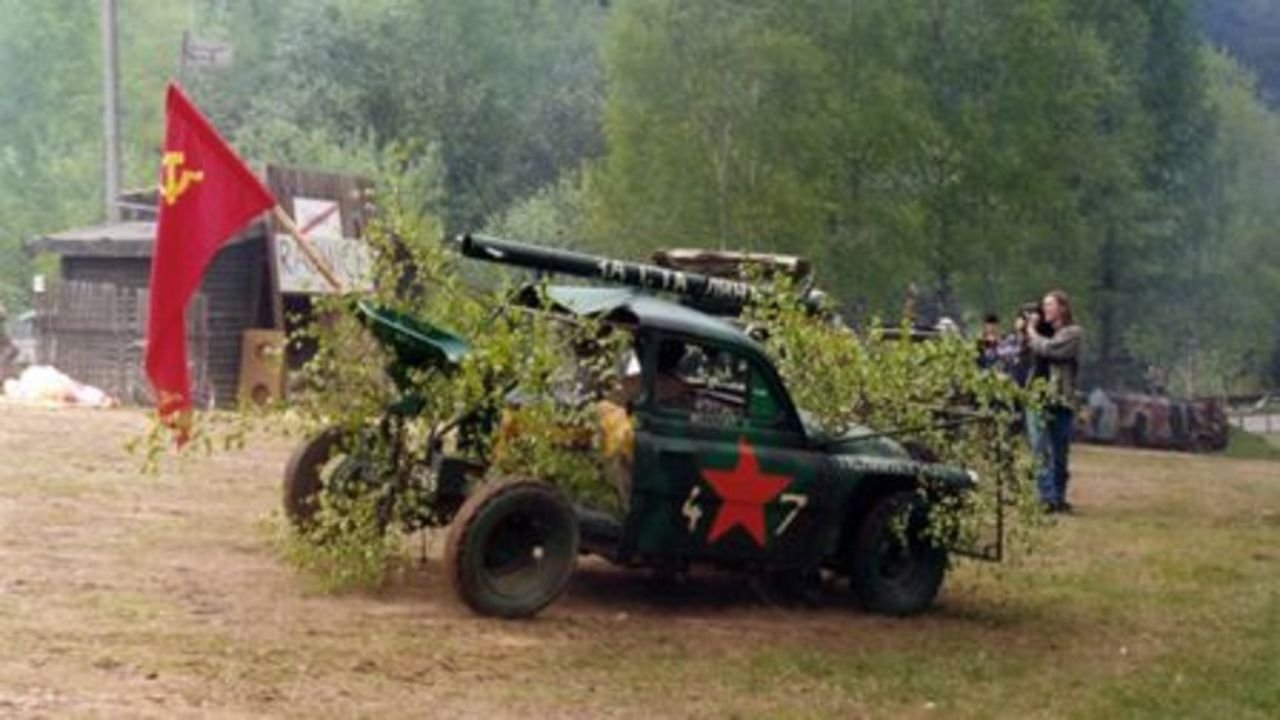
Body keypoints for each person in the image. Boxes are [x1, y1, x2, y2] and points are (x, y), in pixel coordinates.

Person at [1025, 290, 1083, 514]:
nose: (1045, 309)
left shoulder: (1073, 333)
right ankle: (1046, 498)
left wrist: (1031, 330)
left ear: (1062, 308)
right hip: (1036, 396)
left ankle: (1058, 498)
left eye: (1050, 305)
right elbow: (1025, 351)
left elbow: (1050, 349)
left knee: (1060, 453)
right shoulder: (1041, 331)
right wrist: (1025, 328)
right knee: (1039, 448)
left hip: (1060, 398)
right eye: (1044, 305)